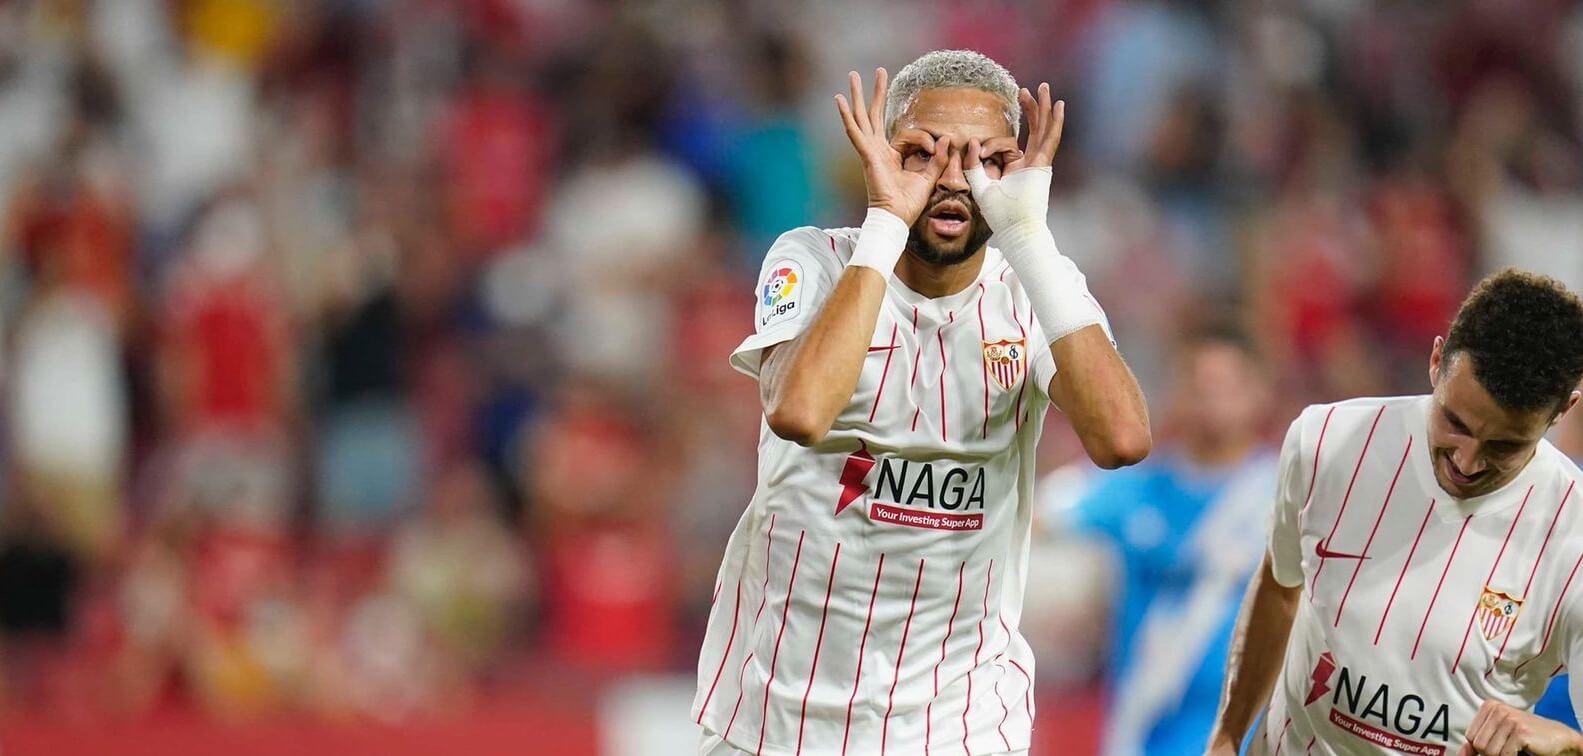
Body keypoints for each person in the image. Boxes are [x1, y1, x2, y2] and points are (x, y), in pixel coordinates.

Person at [690, 49, 1151, 756]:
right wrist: (886, 221)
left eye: (988, 160)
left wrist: (1028, 238)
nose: (955, 179)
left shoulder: (1036, 287)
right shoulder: (812, 259)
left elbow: (1122, 438)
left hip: (960, 724)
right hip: (779, 720)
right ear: (880, 157)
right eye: (921, 154)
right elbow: (799, 412)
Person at [1207, 269, 1583, 756]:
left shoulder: (1574, 540)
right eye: (1455, 422)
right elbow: (1281, 585)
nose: (1467, 461)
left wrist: (1568, 741)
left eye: (1504, 446)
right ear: (1436, 360)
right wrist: (1227, 734)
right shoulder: (1326, 442)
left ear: (1563, 410)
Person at [1040, 326, 1276, 755]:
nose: (1212, 401)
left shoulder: (1283, 494)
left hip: (1244, 738)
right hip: (1141, 733)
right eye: (1199, 386)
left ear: (1259, 392)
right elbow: (1040, 513)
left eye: (1226, 386)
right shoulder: (1131, 488)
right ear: (1177, 391)